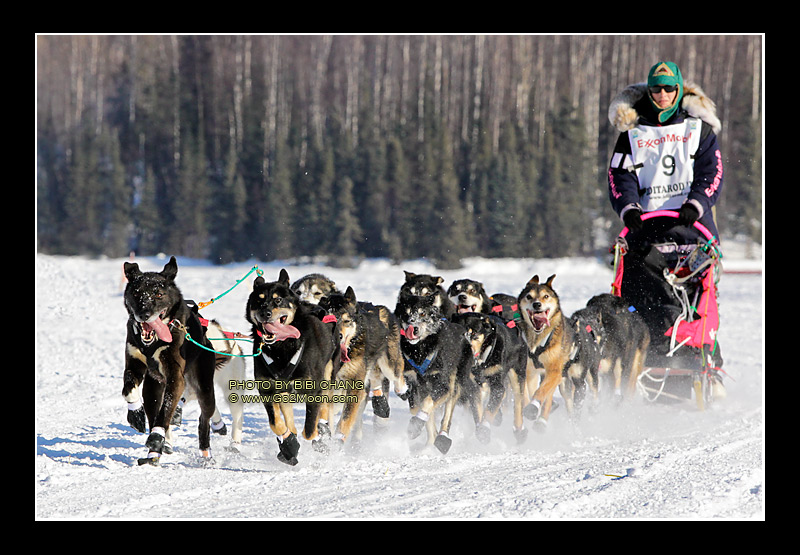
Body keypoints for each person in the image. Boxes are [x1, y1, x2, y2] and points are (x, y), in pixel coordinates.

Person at [607, 61, 723, 238]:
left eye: (669, 88)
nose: (663, 94)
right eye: (656, 89)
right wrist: (628, 207)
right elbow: (620, 175)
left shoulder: (699, 129)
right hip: (646, 227)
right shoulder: (632, 133)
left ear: (678, 89)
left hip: (694, 226)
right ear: (649, 90)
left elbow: (711, 172)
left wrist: (695, 203)